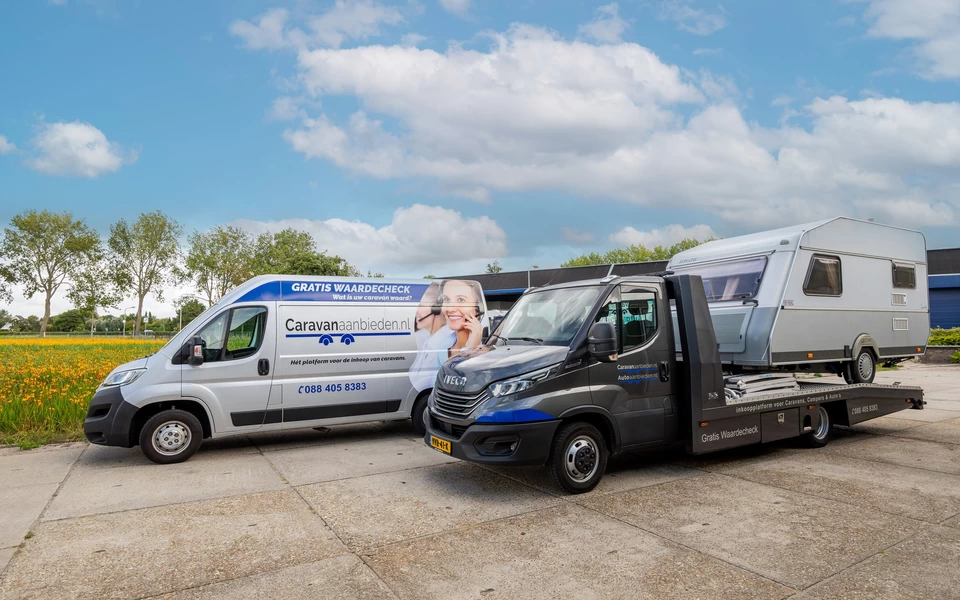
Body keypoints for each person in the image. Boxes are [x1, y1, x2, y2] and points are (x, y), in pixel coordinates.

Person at [440, 280, 484, 357]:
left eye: (461, 300)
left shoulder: (487, 347)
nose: (450, 309)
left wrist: (470, 348)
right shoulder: (441, 345)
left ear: (478, 309)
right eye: (446, 299)